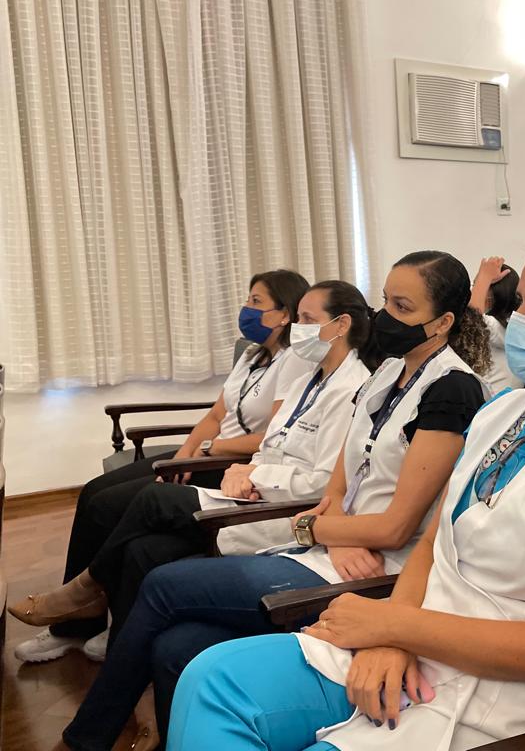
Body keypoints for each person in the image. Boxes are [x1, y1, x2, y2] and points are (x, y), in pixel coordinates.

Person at [165, 230, 525, 751]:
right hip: (414, 629)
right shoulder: (500, 412)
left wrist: (394, 628)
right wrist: (392, 633)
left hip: (490, 682)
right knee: (211, 678)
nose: (520, 319)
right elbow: (433, 544)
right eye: (522, 301)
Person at [54, 252, 492, 751]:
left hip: (376, 568)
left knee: (162, 583)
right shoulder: (388, 372)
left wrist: (313, 528)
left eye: (402, 307)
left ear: (443, 322)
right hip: (334, 545)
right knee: (176, 646)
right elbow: (340, 484)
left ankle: (83, 741)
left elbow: (394, 528)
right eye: (385, 301)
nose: (384, 317)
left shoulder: (452, 390)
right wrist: (332, 528)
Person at [10, 269, 311, 665]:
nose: (246, 309)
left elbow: (272, 436)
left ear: (285, 314)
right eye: (247, 299)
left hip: (234, 464)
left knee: (108, 507)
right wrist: (185, 453)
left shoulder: (294, 362)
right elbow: (216, 414)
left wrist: (208, 449)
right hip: (206, 452)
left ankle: (81, 608)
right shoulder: (253, 356)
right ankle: (82, 617)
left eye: (256, 302)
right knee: (94, 492)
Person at [469, 255, 525, 392]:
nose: (473, 292)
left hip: (490, 401)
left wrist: (485, 277)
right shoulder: (507, 329)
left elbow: (471, 319)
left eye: (478, 286)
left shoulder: (497, 328)